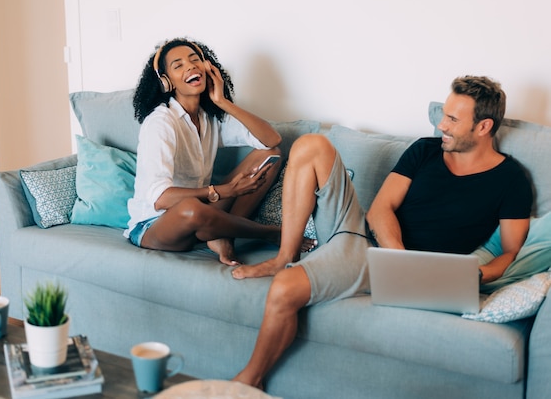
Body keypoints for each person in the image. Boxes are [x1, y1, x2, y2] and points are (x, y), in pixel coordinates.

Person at [231, 75, 533, 389]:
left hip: (367, 256)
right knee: (311, 145)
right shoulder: (425, 151)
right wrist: (399, 260)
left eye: (453, 119)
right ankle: (285, 255)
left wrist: (479, 275)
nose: (441, 125)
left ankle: (247, 382)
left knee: (284, 289)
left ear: (483, 127)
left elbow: (511, 252)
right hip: (361, 229)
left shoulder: (510, 181)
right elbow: (380, 209)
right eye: (444, 114)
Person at [124, 37, 302, 265]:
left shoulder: (210, 117)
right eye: (178, 65)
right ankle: (271, 233)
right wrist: (224, 191)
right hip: (154, 225)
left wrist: (222, 101)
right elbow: (160, 198)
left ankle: (223, 234)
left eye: (195, 60)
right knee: (190, 208)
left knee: (271, 155)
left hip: (202, 211)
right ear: (167, 82)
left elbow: (271, 140)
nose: (190, 66)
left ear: (207, 68)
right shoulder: (161, 122)